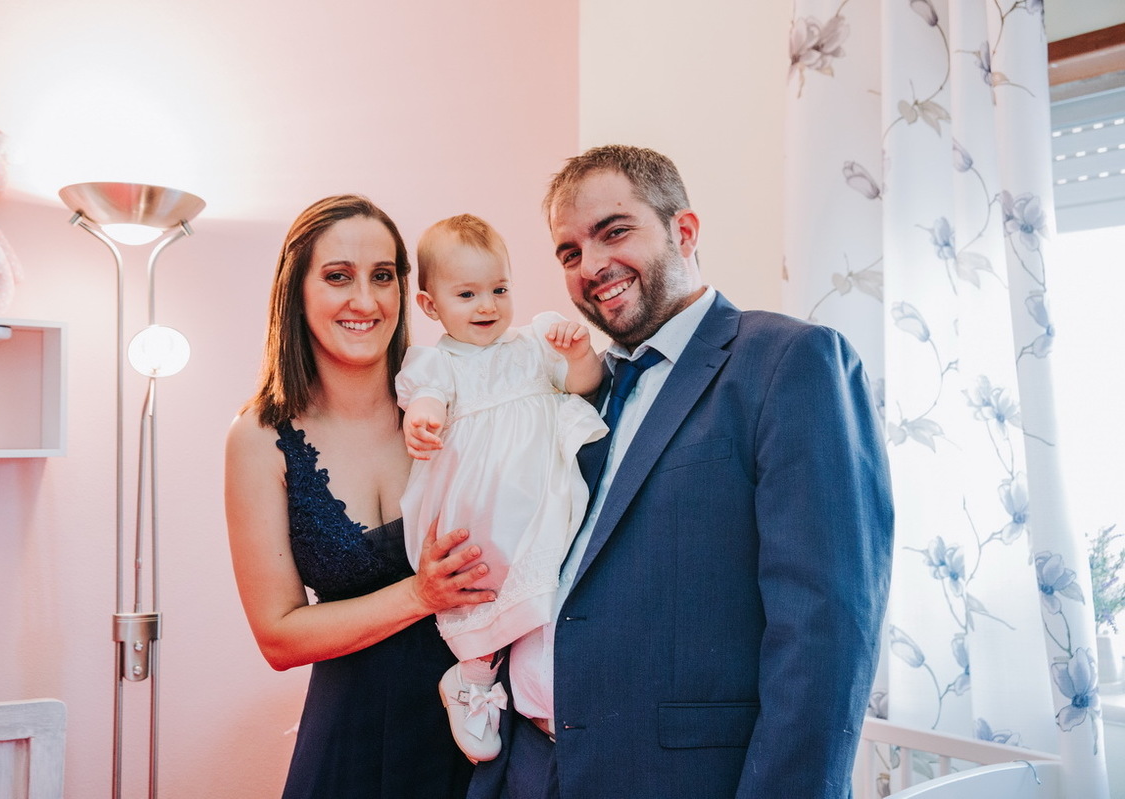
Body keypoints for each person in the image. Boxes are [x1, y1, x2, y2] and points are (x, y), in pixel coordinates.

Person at [467, 145, 894, 799]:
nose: (591, 266)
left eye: (614, 232)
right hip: (529, 769)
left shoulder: (788, 361)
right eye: (569, 252)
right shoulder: (578, 385)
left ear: (684, 231)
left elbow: (826, 629)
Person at [225, 195, 496, 799]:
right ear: (296, 290)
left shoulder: (462, 403)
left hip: (483, 736)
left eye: (383, 276)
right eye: (338, 277)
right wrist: (420, 594)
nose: (366, 301)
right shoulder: (259, 439)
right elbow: (278, 637)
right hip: (351, 745)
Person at [396, 214, 607, 762]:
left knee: (549, 593)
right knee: (482, 585)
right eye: (467, 294)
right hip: (481, 506)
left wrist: (578, 355)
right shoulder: (437, 362)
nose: (487, 305)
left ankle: (546, 694)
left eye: (499, 289)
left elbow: (584, 387)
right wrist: (422, 417)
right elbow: (425, 397)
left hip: (542, 501)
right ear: (430, 306)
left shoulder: (534, 344)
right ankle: (471, 675)